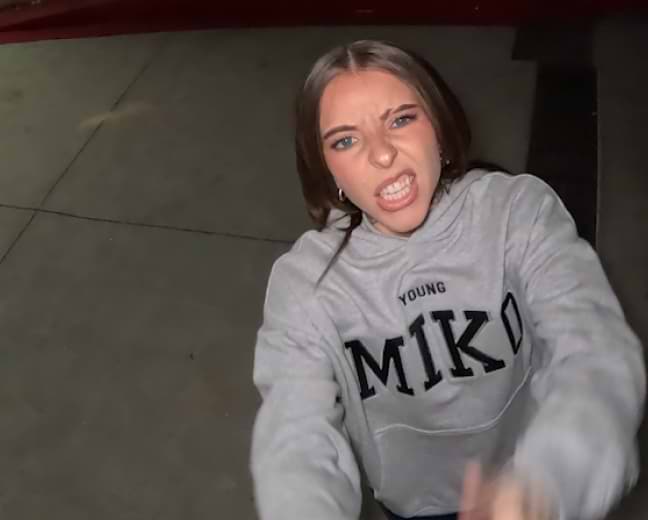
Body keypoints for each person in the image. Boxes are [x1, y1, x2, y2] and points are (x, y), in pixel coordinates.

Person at [249, 39, 645, 520]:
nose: (382, 155)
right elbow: (294, 434)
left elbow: (595, 349)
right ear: (326, 168)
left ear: (438, 125)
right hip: (411, 506)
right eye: (345, 140)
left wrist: (544, 485)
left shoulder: (517, 212)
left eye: (400, 119)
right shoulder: (306, 282)